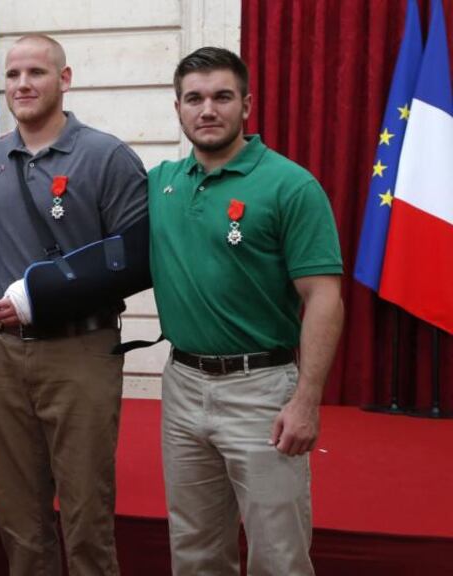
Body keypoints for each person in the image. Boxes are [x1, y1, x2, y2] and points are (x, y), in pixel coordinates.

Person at [149, 47, 344, 575]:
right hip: (182, 386)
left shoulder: (290, 185)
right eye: (194, 98)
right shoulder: (160, 183)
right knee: (194, 550)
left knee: (278, 554)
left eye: (221, 97)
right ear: (178, 109)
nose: (207, 109)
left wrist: (307, 401)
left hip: (262, 392)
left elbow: (323, 296)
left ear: (247, 105)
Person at [0, 35, 147, 575]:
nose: (23, 84)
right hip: (3, 359)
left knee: (85, 517)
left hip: (80, 352)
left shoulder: (106, 155)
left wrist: (44, 297)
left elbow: (139, 259)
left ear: (64, 80)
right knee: (20, 520)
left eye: (37, 73)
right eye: (14, 74)